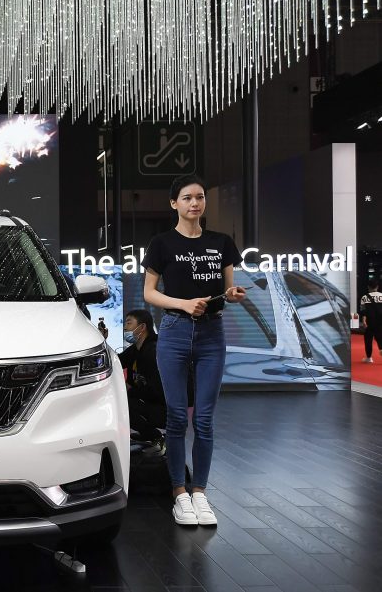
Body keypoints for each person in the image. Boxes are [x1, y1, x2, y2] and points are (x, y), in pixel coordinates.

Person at [142, 174, 247, 527]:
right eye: (187, 198)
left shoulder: (221, 242)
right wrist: (184, 304)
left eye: (199, 197)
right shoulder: (161, 243)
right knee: (174, 416)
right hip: (173, 330)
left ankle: (199, 492)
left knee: (203, 419)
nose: (194, 203)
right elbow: (150, 294)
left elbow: (229, 291)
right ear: (174, 203)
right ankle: (178, 493)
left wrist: (232, 295)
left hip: (211, 334)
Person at [118, 309, 165, 442]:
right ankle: (148, 433)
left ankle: (153, 435)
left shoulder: (153, 352)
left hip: (162, 408)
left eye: (129, 323)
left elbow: (157, 391)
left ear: (142, 327)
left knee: (123, 403)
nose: (125, 328)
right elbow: (116, 362)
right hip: (147, 401)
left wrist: (130, 390)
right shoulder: (136, 349)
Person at [359, 280, 382, 363]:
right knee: (380, 337)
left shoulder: (364, 297)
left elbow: (363, 311)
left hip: (370, 321)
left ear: (368, 287)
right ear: (377, 287)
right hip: (380, 321)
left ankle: (369, 358)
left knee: (368, 339)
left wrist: (364, 321)